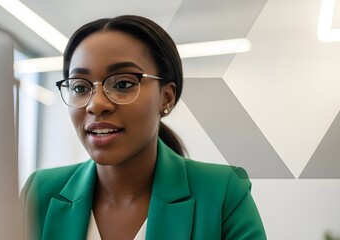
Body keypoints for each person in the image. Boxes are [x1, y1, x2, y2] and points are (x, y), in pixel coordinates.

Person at [21, 15, 266, 240]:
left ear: (166, 98)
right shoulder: (39, 193)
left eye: (124, 83)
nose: (96, 104)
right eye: (80, 88)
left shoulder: (222, 193)